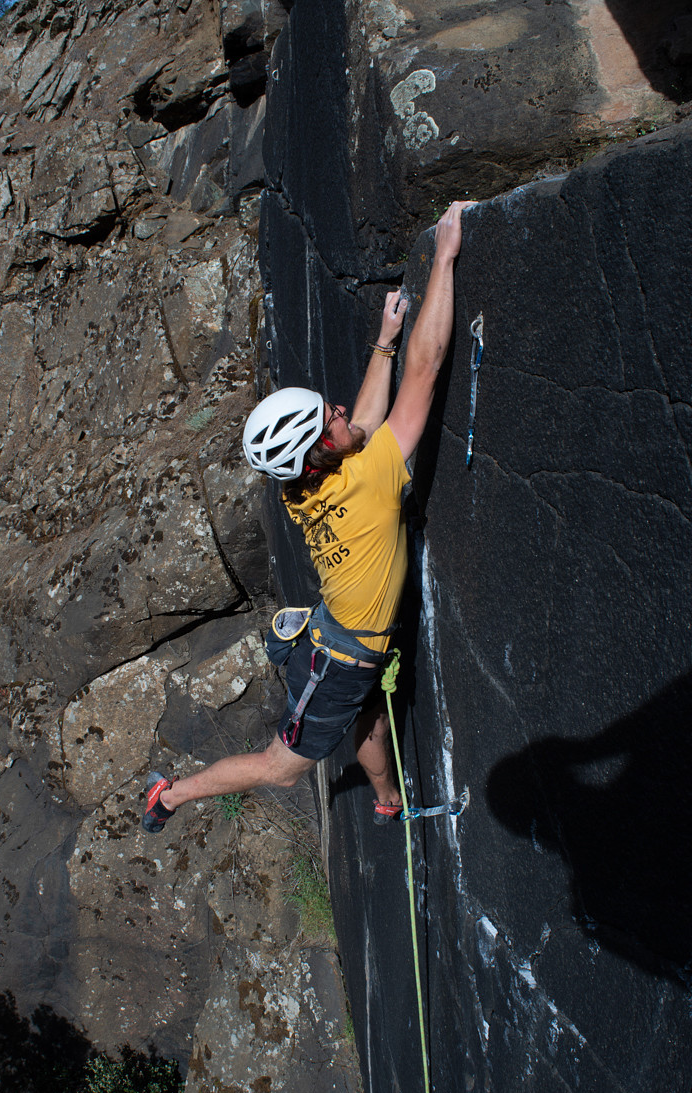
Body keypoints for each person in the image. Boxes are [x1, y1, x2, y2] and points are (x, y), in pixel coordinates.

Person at [143, 201, 473, 833]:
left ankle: (387, 799)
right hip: (338, 660)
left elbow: (364, 426)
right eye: (329, 416)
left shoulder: (303, 489)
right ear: (320, 451)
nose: (340, 410)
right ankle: (172, 795)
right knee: (282, 767)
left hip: (343, 640)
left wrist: (384, 341)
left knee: (368, 716)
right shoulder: (368, 477)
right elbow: (427, 368)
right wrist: (446, 258)